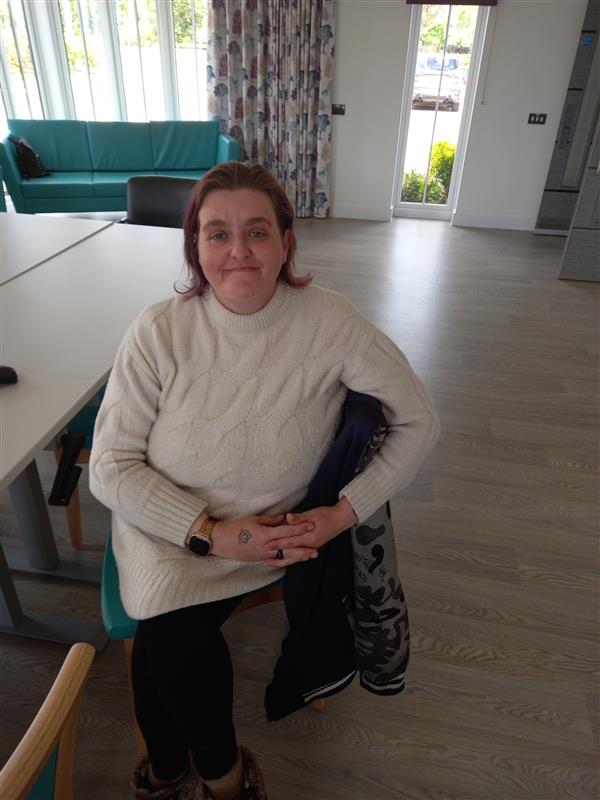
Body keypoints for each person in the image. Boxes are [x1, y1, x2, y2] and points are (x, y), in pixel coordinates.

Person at [89, 162, 440, 800]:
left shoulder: (329, 321)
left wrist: (340, 514)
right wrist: (210, 534)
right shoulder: (158, 329)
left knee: (167, 638)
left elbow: (420, 419)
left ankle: (173, 770)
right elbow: (111, 465)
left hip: (274, 534)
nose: (238, 251)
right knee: (171, 632)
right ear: (195, 246)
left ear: (286, 242)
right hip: (166, 525)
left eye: (257, 231)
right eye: (217, 234)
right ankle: (222, 776)